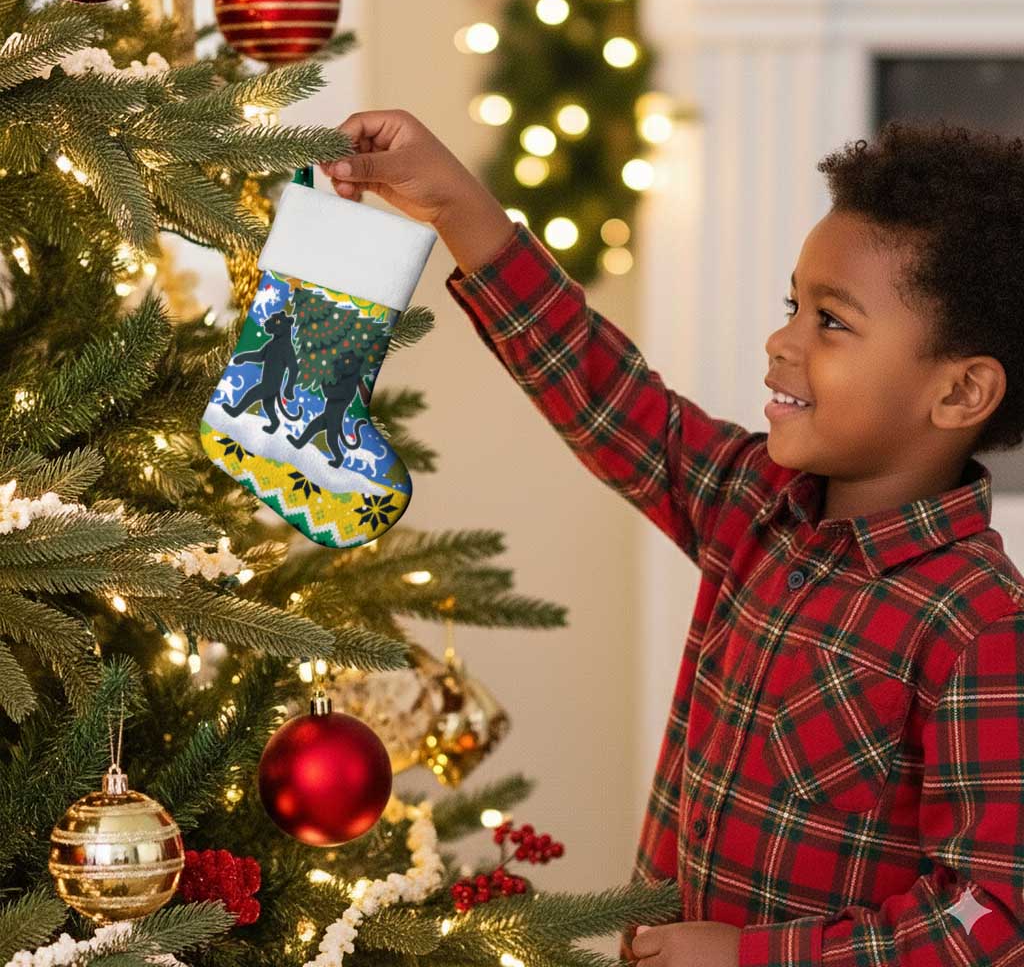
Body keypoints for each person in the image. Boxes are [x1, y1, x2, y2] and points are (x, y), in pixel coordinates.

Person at [321, 111, 1024, 967]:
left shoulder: (981, 626)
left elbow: (990, 923)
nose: (782, 340)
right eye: (793, 306)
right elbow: (606, 395)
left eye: (832, 322)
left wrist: (750, 959)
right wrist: (458, 207)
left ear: (960, 393)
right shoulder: (756, 507)